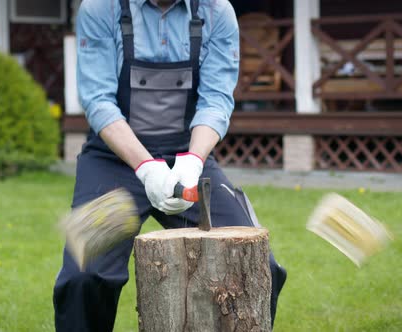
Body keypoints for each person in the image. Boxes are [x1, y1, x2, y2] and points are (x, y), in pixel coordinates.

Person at [53, 0, 287, 330]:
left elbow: (216, 99)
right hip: (113, 161)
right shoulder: (100, 8)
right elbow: (97, 100)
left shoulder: (216, 12)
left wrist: (193, 160)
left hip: (189, 159)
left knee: (261, 265)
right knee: (84, 277)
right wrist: (146, 167)